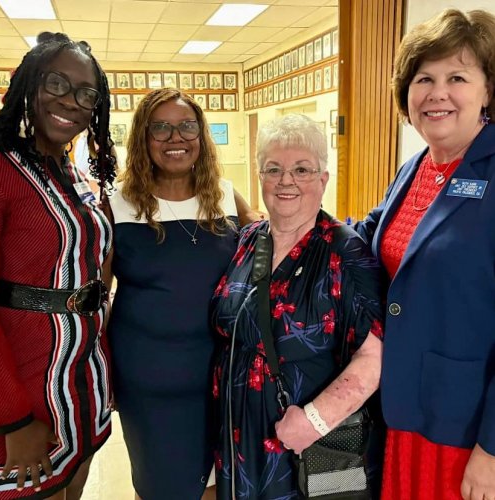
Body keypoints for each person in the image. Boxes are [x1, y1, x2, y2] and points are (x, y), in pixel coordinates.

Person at [355, 9, 495, 500]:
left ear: (487, 91)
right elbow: (367, 234)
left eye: (457, 77)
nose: (437, 93)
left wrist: (492, 450)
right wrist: (285, 225)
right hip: (403, 410)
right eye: (424, 78)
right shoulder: (415, 168)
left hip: (465, 429)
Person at [211, 114, 385, 499]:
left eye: (302, 169)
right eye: (274, 169)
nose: (286, 180)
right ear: (260, 177)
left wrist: (314, 420)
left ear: (323, 180)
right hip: (242, 440)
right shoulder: (249, 240)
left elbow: (375, 356)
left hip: (316, 443)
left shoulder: (347, 252)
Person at [107, 88, 260, 500]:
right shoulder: (116, 206)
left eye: (186, 126)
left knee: (216, 483)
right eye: (161, 127)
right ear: (143, 138)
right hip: (147, 378)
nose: (176, 137)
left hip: (220, 376)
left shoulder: (227, 196)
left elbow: (273, 250)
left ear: (200, 135)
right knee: (160, 484)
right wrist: (98, 371)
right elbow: (96, 298)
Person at [0, 32, 116, 499]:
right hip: (22, 392)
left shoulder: (74, 174)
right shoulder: (1, 168)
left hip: (82, 385)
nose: (72, 101)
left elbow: (96, 272)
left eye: (87, 93)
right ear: (27, 84)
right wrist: (12, 417)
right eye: (57, 84)